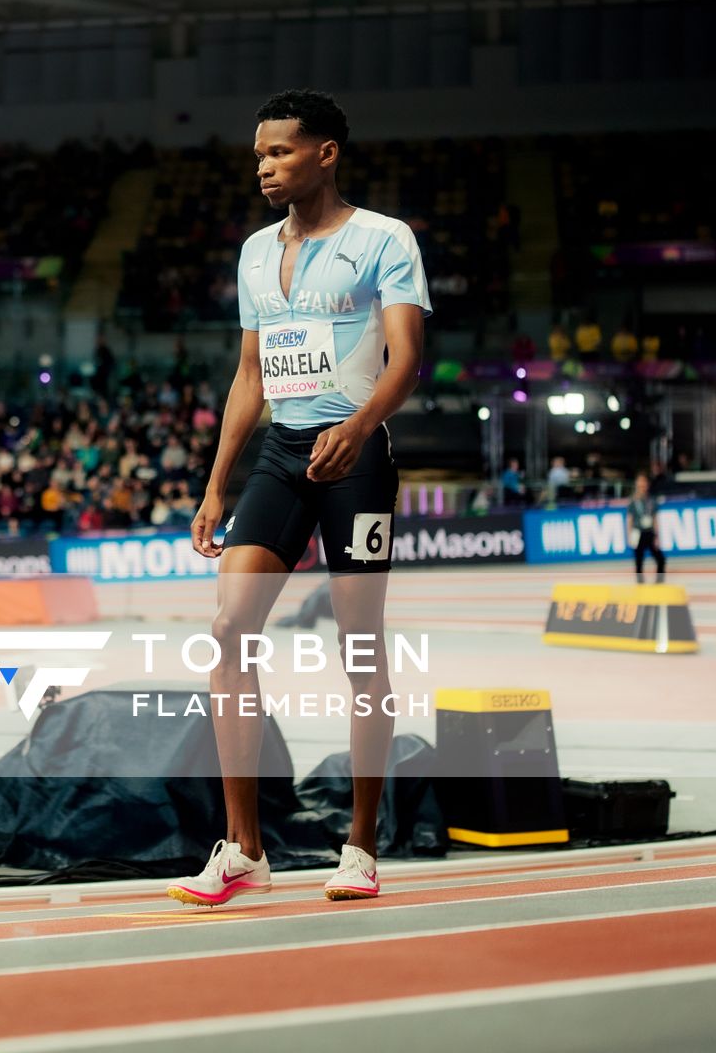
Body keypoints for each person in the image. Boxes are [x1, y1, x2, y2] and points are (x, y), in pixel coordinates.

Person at [170, 89, 430, 907]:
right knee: (227, 628)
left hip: (354, 462)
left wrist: (359, 427)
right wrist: (217, 483)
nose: (264, 167)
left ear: (325, 153)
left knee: (360, 648)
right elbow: (250, 375)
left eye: (279, 152)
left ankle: (359, 846)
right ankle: (243, 848)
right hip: (282, 456)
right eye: (258, 156)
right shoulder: (254, 254)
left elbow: (406, 358)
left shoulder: (384, 239)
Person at [628, 472, 665, 584]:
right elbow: (629, 519)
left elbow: (655, 519)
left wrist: (657, 535)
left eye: (644, 482)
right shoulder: (633, 502)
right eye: (640, 482)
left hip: (649, 532)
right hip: (638, 533)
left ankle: (659, 582)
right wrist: (629, 535)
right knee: (639, 561)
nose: (642, 485)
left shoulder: (652, 501)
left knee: (660, 559)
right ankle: (640, 584)